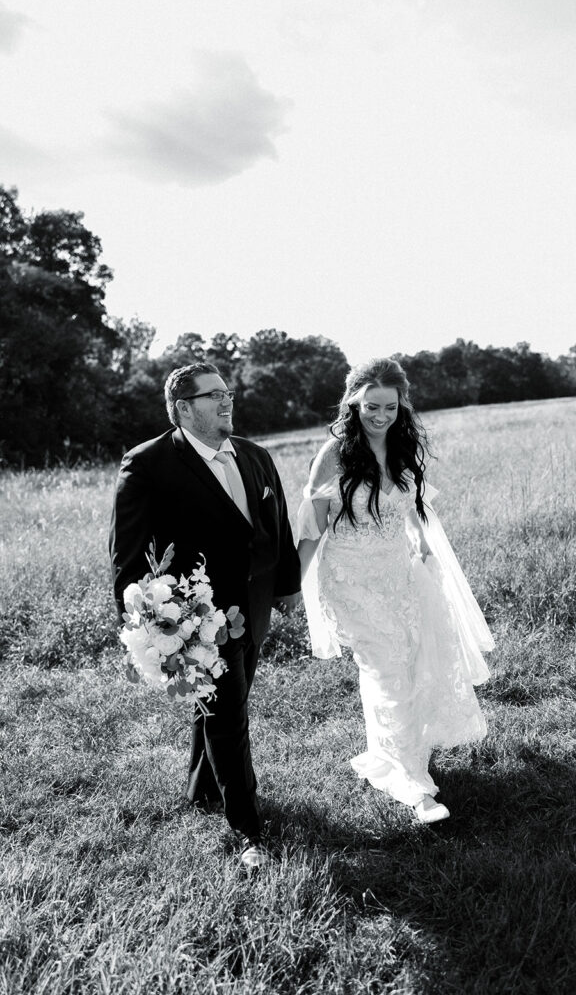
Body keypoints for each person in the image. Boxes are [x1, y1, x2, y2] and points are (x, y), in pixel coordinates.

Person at [110, 362, 301, 868]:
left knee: (220, 707)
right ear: (183, 408)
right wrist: (142, 624)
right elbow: (127, 556)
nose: (227, 401)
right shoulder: (147, 464)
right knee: (228, 714)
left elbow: (275, 524)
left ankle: (202, 790)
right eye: (214, 395)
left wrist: (287, 588)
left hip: (253, 608)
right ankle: (248, 831)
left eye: (228, 393)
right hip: (196, 619)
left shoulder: (256, 456)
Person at [297, 357, 493, 824]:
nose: (380, 415)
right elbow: (311, 529)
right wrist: (290, 585)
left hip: (399, 574)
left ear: (401, 403)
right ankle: (415, 786)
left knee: (406, 661)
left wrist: (422, 546)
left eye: (389, 405)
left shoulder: (403, 447)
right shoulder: (335, 454)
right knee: (387, 666)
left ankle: (386, 755)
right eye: (370, 406)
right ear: (353, 403)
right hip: (349, 578)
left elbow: (408, 506)